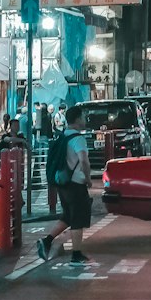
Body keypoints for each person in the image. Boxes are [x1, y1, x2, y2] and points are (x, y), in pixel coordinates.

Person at [37, 104, 93, 266]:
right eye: (83, 117)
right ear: (77, 120)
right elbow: (83, 160)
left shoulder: (63, 136)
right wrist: (88, 178)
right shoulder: (78, 139)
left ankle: (46, 241)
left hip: (63, 183)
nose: (85, 120)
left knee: (68, 216)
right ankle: (76, 255)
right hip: (76, 184)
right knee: (77, 219)